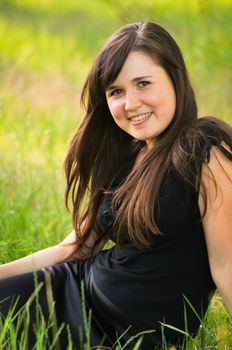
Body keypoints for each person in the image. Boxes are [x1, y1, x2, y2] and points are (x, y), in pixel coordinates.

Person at [0, 21, 232, 349]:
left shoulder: (205, 148)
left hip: (133, 336)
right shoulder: (125, 157)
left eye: (143, 84)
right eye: (116, 92)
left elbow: (226, 265)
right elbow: (76, 247)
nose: (131, 104)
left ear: (175, 77)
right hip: (71, 295)